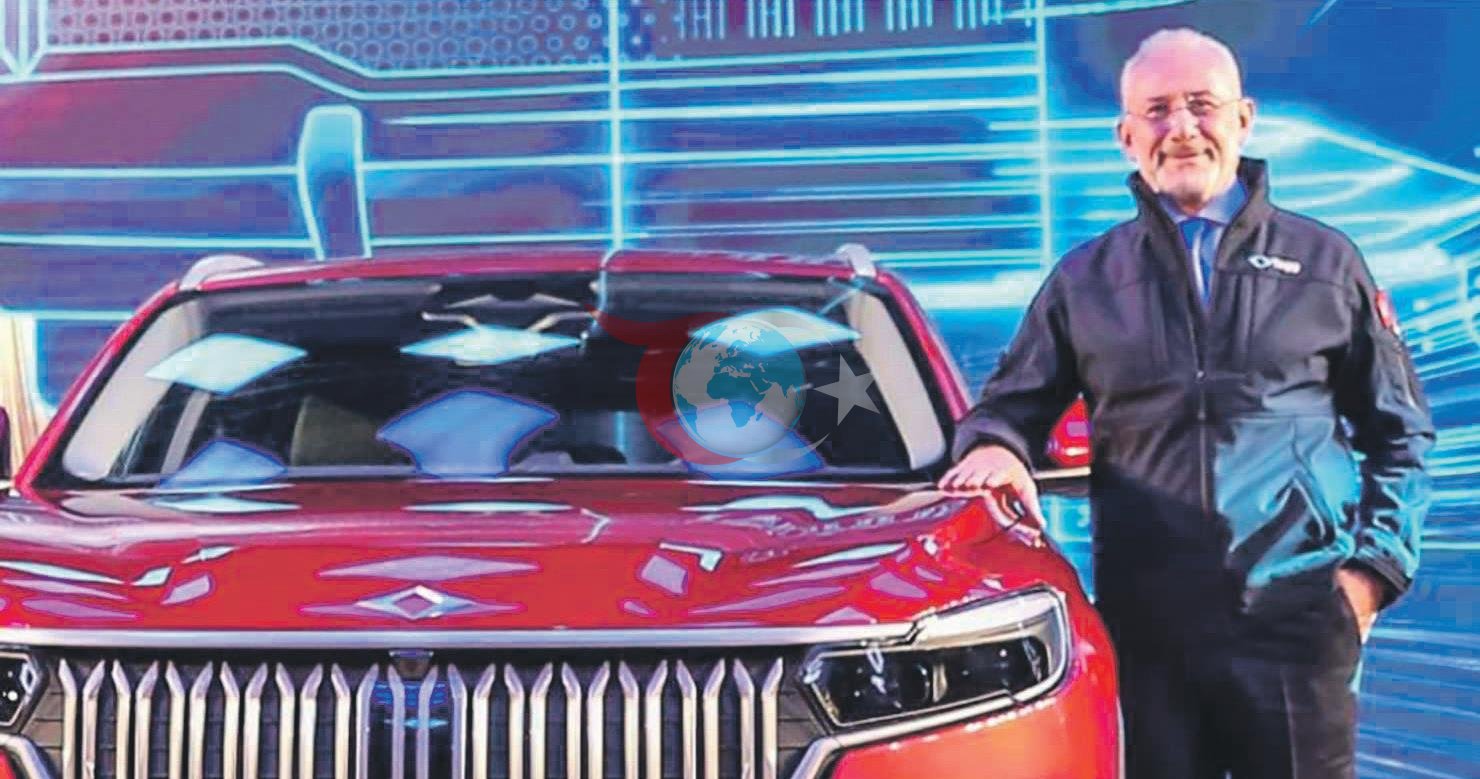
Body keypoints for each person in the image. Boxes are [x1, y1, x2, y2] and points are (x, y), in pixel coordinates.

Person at [938, 28, 1434, 779]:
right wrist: (995, 448)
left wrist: (1371, 576)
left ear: (1244, 119)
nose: (1181, 128)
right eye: (1158, 110)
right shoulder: (1085, 280)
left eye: (1202, 105)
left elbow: (1402, 434)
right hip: (1148, 639)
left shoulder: (1327, 264)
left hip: (1297, 629)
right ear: (1126, 136)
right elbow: (1009, 408)